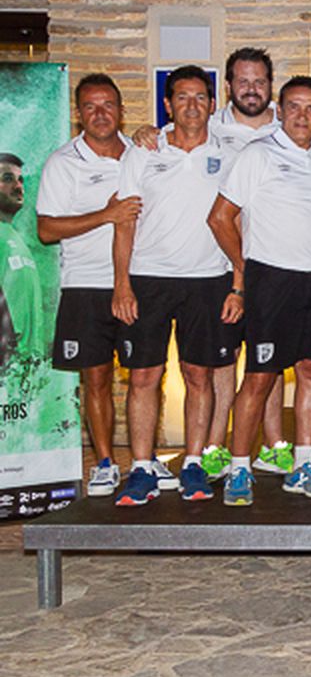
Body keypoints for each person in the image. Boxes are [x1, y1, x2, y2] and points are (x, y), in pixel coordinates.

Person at [109, 66, 241, 505]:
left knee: (198, 374)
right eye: (182, 97)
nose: (191, 106)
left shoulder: (230, 153)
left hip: (209, 279)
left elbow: (239, 220)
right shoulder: (144, 150)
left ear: (211, 103)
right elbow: (125, 223)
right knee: (144, 375)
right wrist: (122, 284)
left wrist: (238, 283)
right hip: (148, 278)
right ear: (167, 105)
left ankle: (193, 463)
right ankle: (143, 467)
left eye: (200, 97)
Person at [207, 77, 311, 506]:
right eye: (294, 107)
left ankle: (303, 463)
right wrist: (245, 269)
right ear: (280, 111)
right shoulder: (258, 154)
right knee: (261, 377)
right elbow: (220, 218)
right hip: (271, 279)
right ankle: (240, 468)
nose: (302, 115)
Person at [36, 74, 135, 496]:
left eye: (108, 105)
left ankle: (144, 461)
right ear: (79, 113)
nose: (100, 114)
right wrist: (105, 214)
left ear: (121, 110)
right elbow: (45, 229)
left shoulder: (139, 154)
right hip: (85, 286)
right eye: (91, 107)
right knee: (95, 378)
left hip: (136, 281)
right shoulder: (63, 162)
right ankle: (106, 462)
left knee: (146, 375)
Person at [0, 153, 42, 366]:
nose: (18, 186)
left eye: (20, 180)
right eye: (7, 179)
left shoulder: (13, 236)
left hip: (25, 367)